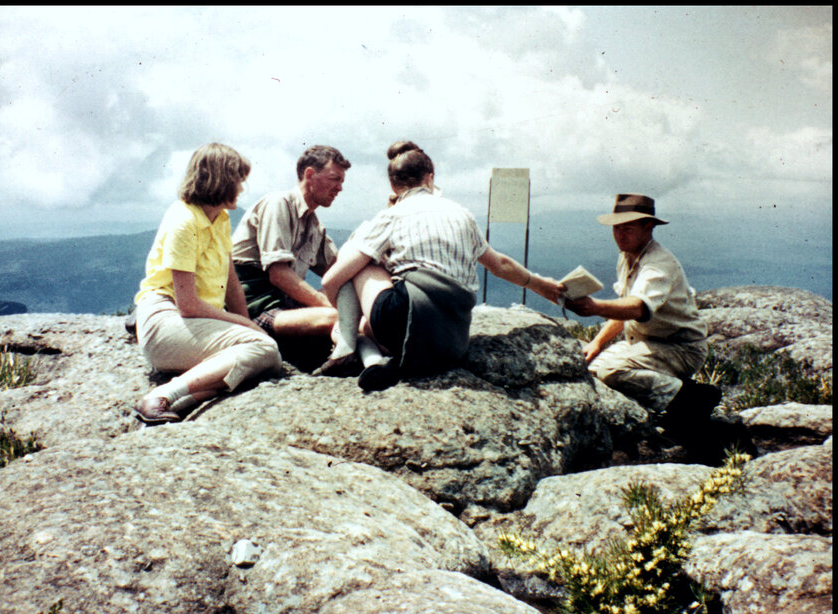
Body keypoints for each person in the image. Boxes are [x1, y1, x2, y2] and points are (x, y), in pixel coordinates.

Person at [319, 141, 565, 391]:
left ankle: (347, 347)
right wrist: (542, 286)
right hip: (451, 343)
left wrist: (340, 314)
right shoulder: (461, 213)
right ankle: (371, 357)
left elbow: (331, 281)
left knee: (358, 258)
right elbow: (500, 264)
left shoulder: (391, 216)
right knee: (370, 319)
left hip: (401, 324)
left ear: (393, 185)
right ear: (430, 178)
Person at [564, 193, 754, 463]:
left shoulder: (658, 264)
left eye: (628, 228)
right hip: (649, 344)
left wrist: (594, 307)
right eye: (617, 228)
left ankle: (689, 397)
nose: (620, 234)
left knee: (610, 370)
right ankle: (675, 401)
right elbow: (624, 307)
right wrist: (596, 343)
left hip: (680, 348)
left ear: (648, 228)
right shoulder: (628, 257)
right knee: (591, 369)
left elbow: (637, 308)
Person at [132, 143, 282, 424]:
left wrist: (244, 322)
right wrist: (246, 327)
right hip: (167, 319)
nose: (242, 187)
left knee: (268, 362)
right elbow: (187, 304)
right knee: (263, 350)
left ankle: (186, 399)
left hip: (190, 321)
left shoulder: (220, 219)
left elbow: (231, 280)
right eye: (238, 179)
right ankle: (162, 395)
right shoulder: (183, 221)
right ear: (221, 180)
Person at [231, 146, 350, 340]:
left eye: (341, 181)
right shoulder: (278, 204)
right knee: (337, 318)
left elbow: (339, 269)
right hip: (256, 309)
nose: (339, 188)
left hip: (284, 304)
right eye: (334, 179)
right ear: (310, 174)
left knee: (349, 304)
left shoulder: (314, 225)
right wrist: (329, 305)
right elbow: (279, 276)